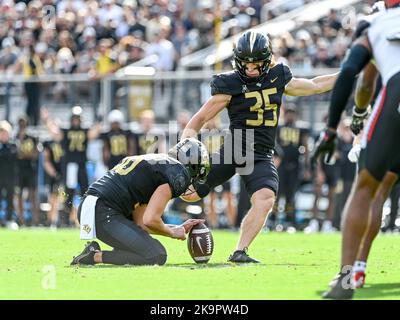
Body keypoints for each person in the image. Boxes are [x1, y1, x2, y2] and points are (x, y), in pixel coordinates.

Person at [180, 30, 338, 263]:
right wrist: (186, 147)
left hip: (261, 154)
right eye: (246, 64)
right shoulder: (229, 83)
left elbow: (314, 85)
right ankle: (140, 215)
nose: (251, 69)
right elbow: (199, 118)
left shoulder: (278, 75)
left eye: (256, 64)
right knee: (188, 194)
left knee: (265, 199)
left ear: (267, 60)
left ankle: (240, 251)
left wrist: (347, 74)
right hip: (234, 149)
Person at [312, 0, 400, 299]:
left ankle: (349, 275)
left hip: (396, 97)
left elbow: (356, 76)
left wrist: (335, 127)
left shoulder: (376, 24)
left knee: (369, 187)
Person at [70, 138, 210, 266]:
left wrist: (175, 228)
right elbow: (150, 220)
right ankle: (93, 256)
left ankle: (93, 253)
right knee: (156, 255)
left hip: (93, 207)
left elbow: (141, 222)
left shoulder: (157, 164)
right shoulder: (178, 173)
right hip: (103, 211)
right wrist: (172, 233)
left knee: (146, 250)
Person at [43, 106, 102, 227]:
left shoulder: (84, 131)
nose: (75, 121)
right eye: (74, 118)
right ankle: (66, 218)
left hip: (81, 165)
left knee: (85, 191)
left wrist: (99, 121)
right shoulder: (66, 131)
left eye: (77, 118)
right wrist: (47, 120)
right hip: (70, 166)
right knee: (69, 192)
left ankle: (85, 218)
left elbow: (94, 133)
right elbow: (54, 134)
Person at [276, 106, 309, 230]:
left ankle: (289, 220)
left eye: (292, 113)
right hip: (280, 165)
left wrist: (306, 168)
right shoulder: (278, 128)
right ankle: (273, 220)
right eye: (288, 113)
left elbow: (305, 148)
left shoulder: (301, 129)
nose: (290, 116)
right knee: (277, 194)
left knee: (291, 195)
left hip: (295, 166)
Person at [15, 116, 40, 226]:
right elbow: (16, 154)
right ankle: (21, 221)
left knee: (33, 196)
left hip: (30, 169)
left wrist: (24, 155)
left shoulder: (32, 138)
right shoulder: (15, 138)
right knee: (19, 196)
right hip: (19, 170)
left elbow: (35, 154)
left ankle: (35, 221)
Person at [42, 135, 64, 229]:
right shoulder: (48, 143)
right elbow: (46, 161)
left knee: (65, 197)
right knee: (53, 197)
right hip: (54, 174)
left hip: (65, 173)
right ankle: (51, 220)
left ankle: (69, 220)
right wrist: (54, 174)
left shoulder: (65, 140)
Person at [0, 121, 18, 229]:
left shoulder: (13, 144)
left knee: (10, 198)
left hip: (10, 176)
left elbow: (12, 155)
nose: (3, 135)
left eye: (5, 132)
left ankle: (9, 219)